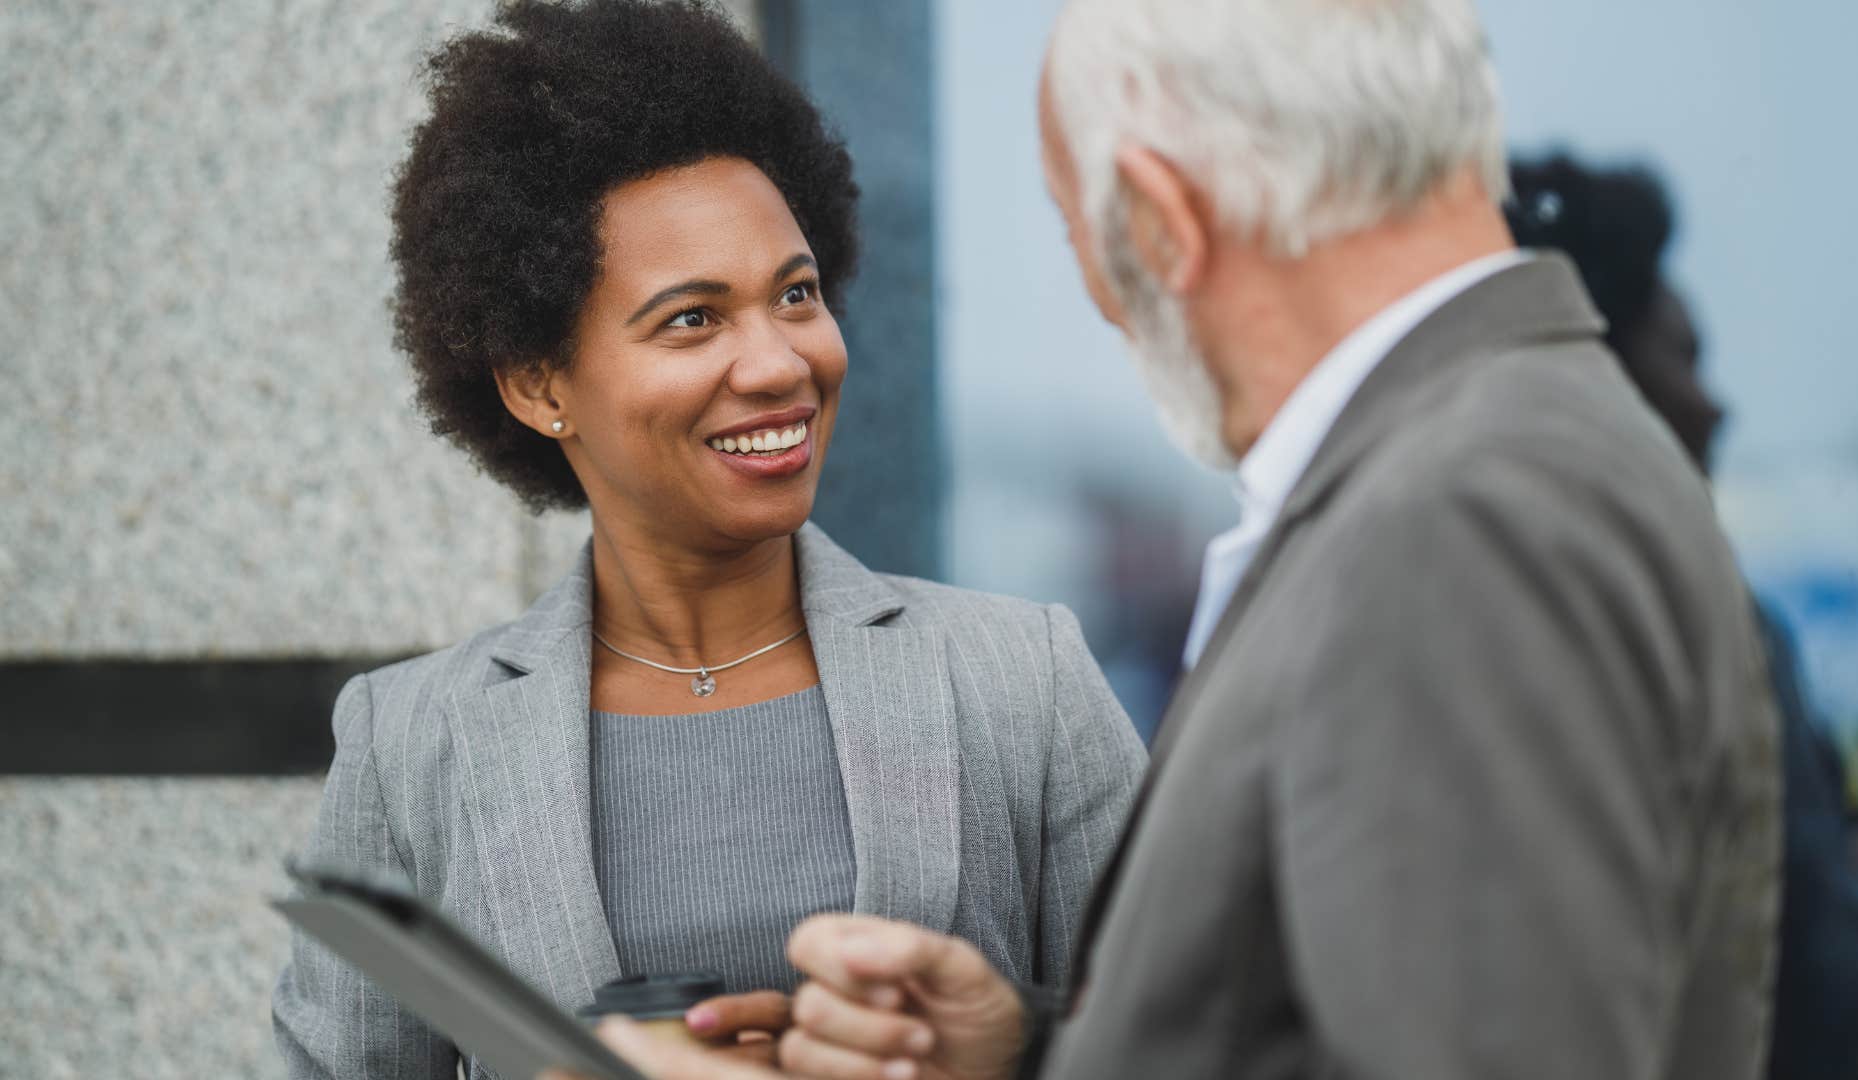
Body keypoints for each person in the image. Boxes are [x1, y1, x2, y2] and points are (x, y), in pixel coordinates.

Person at [560, 0, 1785, 1077]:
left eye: (1070, 220)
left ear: (1160, 219)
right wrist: (1029, 1050)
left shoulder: (1458, 520)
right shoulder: (1517, 451)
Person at [270, 2, 1146, 1077]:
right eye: (693, 318)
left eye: (796, 294)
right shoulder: (413, 743)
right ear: (541, 383)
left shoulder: (1024, 681)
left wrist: (999, 1048)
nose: (780, 362)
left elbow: (1195, 1044)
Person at [1509, 153, 1858, 1080]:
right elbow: (1815, 988)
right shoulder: (1712, 623)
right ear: (1606, 380)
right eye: (1682, 357)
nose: (1714, 404)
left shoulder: (1485, 596)